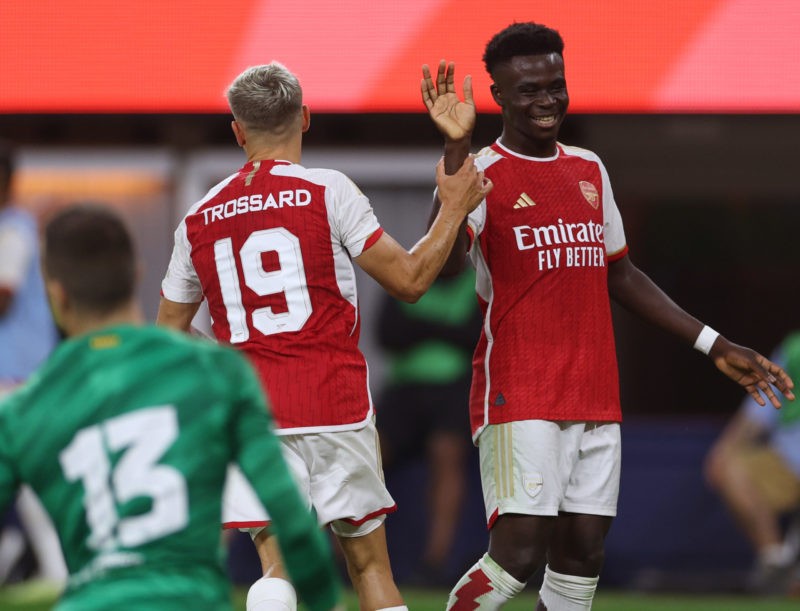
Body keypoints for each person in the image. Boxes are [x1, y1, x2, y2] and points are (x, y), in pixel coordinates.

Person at [419, 22, 796, 610]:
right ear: (498, 97)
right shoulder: (480, 172)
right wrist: (453, 152)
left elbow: (619, 273)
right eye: (529, 90)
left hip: (594, 390)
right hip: (520, 389)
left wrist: (715, 345)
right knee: (518, 555)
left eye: (555, 85)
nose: (546, 101)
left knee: (582, 555)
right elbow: (439, 268)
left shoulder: (589, 169)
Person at [156, 62, 491, 611]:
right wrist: (453, 207)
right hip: (335, 403)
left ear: (238, 131)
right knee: (369, 569)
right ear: (305, 118)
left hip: (254, 412)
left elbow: (168, 333)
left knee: (276, 564)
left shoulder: (197, 216)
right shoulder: (328, 191)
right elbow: (410, 281)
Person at [0, 205, 343, 611]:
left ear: (57, 295)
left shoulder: (26, 406)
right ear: (138, 276)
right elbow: (289, 516)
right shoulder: (216, 371)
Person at [376, 267, 480, 586]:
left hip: (453, 389)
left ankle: (435, 562)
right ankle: (345, 558)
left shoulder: (476, 284)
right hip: (404, 389)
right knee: (366, 457)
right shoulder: (407, 274)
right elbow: (388, 334)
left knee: (446, 453)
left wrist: (420, 328)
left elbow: (476, 337)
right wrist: (447, 330)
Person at [0, 140, 63, 586]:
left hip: (15, 378)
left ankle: (55, 568)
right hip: (17, 376)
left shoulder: (12, 228)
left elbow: (3, 294)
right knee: (32, 488)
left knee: (36, 488)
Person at [705, 331, 800, 595]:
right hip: (789, 461)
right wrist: (723, 449)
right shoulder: (794, 348)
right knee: (728, 466)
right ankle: (777, 562)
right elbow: (759, 411)